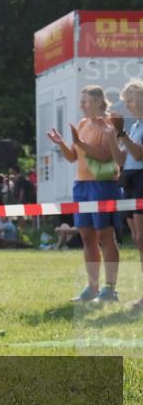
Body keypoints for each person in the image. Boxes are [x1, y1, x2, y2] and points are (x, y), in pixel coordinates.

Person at [46, 85, 122, 303]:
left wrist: (80, 143)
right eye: (81, 101)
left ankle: (110, 290)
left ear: (99, 101)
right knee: (87, 237)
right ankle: (92, 288)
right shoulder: (81, 124)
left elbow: (106, 155)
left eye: (85, 101)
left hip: (103, 186)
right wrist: (61, 143)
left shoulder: (109, 124)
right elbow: (72, 157)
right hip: (81, 186)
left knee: (105, 236)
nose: (81, 105)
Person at [112, 79, 143, 313]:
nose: (128, 105)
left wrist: (122, 134)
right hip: (130, 181)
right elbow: (123, 160)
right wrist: (112, 136)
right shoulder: (134, 127)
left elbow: (139, 155)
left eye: (130, 100)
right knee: (137, 239)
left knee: (142, 238)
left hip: (141, 180)